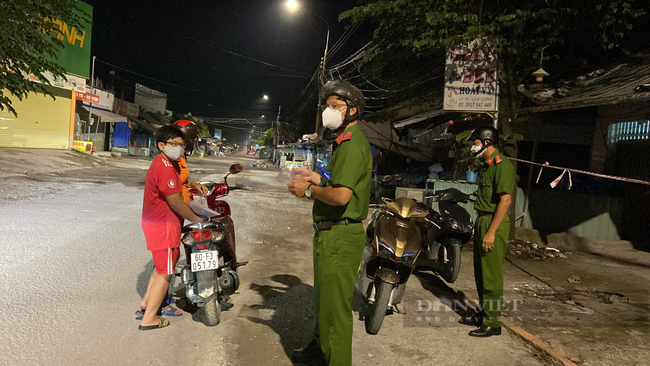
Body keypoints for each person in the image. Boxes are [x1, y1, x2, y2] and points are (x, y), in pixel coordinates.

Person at [288, 79, 372, 365]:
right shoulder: (343, 143)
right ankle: (319, 350)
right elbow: (336, 183)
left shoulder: (351, 145)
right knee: (324, 302)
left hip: (340, 235)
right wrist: (315, 177)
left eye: (336, 106)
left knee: (335, 311)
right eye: (328, 106)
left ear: (352, 110)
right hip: (330, 235)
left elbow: (340, 196)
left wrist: (308, 191)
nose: (329, 112)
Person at [139, 125, 204, 331]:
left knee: (160, 268)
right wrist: (197, 219)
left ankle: (146, 304)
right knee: (165, 272)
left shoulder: (164, 162)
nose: (178, 148)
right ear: (161, 145)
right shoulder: (166, 167)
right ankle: (149, 319)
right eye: (173, 144)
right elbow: (175, 202)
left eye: (181, 144)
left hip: (158, 223)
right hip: (163, 225)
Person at [458, 126, 515, 337]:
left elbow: (505, 200)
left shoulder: (502, 166)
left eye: (476, 142)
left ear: (487, 143)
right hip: (483, 220)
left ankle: (493, 322)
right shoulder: (486, 165)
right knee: (481, 273)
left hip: (494, 222)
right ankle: (482, 314)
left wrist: (491, 232)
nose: (474, 145)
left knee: (491, 275)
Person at [173, 119, 209, 202]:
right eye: (192, 139)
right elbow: (170, 190)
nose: (193, 143)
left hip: (184, 205)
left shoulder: (180, 158)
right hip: (178, 209)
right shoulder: (171, 160)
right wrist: (191, 215)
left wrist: (194, 184)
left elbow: (179, 182)